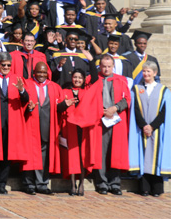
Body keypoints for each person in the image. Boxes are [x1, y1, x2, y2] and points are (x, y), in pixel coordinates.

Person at [75, 54, 130, 195]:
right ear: (100, 66)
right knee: (101, 152)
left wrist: (115, 108)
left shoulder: (121, 80)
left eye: (109, 66)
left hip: (116, 120)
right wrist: (100, 110)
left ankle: (115, 183)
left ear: (113, 66)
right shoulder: (92, 79)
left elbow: (127, 99)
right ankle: (102, 183)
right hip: (99, 120)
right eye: (103, 66)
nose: (106, 69)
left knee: (115, 152)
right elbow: (87, 98)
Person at [21, 62, 73, 195]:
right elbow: (21, 103)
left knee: (44, 156)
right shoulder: (27, 84)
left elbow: (57, 109)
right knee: (29, 155)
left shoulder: (54, 87)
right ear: (34, 72)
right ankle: (29, 184)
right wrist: (29, 107)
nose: (42, 75)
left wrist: (65, 105)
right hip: (29, 125)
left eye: (44, 72)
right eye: (39, 72)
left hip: (46, 127)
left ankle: (42, 184)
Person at [0, 52, 29, 194]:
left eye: (9, 65)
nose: (6, 67)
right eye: (4, 65)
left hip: (12, 121)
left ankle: (1, 183)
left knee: (7, 154)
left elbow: (25, 99)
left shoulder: (17, 79)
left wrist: (21, 90)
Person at [128, 61, 171, 197]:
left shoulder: (163, 90)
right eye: (144, 71)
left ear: (155, 73)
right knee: (144, 156)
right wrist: (143, 126)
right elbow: (135, 109)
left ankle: (156, 188)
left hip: (157, 129)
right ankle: (144, 188)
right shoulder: (136, 89)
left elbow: (165, 111)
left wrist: (152, 126)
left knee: (156, 156)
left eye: (148, 71)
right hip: (141, 129)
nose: (146, 74)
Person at [58, 62, 100, 196]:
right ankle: (72, 184)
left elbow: (95, 79)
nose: (77, 80)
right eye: (75, 77)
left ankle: (81, 182)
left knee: (82, 155)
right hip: (69, 127)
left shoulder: (87, 92)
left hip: (83, 129)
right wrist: (65, 104)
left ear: (83, 80)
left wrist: (92, 60)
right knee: (71, 155)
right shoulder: (64, 91)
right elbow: (57, 108)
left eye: (80, 78)